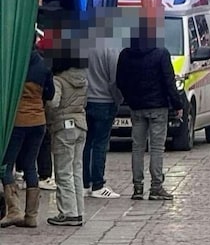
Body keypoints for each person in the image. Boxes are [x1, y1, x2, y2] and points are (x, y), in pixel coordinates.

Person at [116, 17, 185, 201]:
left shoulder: (125, 55)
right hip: (158, 107)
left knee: (137, 148)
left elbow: (120, 81)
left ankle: (137, 188)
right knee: (156, 148)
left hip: (136, 107)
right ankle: (156, 187)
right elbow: (169, 82)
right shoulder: (161, 54)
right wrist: (177, 105)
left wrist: (130, 99)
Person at [1, 37, 54, 228]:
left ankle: (14, 210)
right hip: (38, 121)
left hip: (17, 122)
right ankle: (31, 215)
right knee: (31, 165)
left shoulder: (14, 64)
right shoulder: (43, 65)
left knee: (6, 165)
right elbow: (50, 94)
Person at [45, 57, 88, 227]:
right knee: (77, 170)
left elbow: (53, 103)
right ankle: (78, 211)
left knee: (63, 172)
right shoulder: (83, 79)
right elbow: (83, 103)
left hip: (64, 127)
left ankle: (68, 213)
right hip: (81, 125)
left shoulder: (58, 80)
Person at [83, 47, 122, 199]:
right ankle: (98, 184)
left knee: (86, 143)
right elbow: (115, 80)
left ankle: (84, 183)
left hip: (86, 101)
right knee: (100, 144)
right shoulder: (110, 50)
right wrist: (118, 100)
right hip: (105, 101)